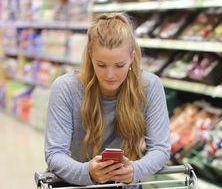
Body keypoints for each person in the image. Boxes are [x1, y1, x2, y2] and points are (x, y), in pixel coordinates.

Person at [44, 13, 171, 188]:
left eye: (119, 65)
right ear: (90, 55)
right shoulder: (66, 89)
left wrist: (135, 170)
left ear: (132, 57)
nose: (110, 75)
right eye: (101, 65)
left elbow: (161, 149)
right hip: (73, 184)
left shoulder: (150, 86)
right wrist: (87, 171)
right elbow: (55, 153)